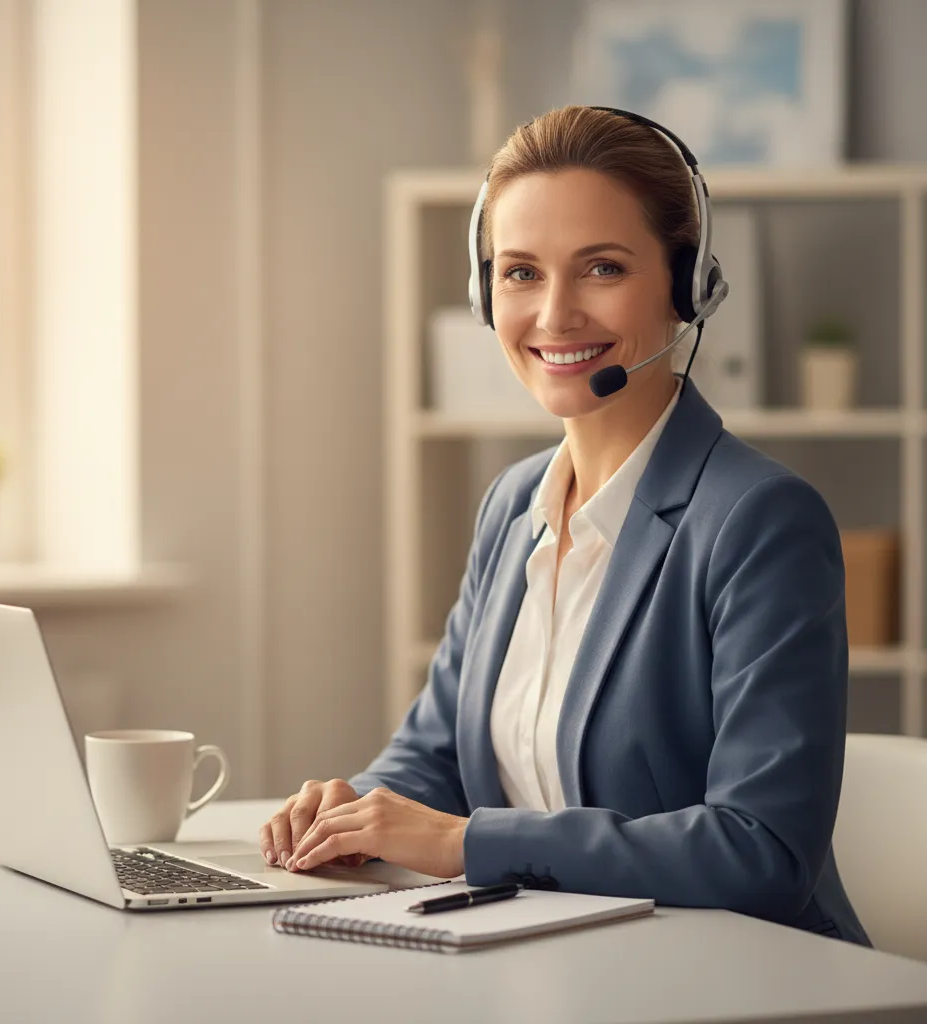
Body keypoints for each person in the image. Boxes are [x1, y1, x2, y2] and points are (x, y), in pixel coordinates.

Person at [258, 105, 870, 945]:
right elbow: (436, 755)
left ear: (687, 286)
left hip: (735, 973)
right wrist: (351, 811)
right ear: (485, 294)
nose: (554, 315)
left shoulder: (760, 520)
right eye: (520, 273)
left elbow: (760, 850)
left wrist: (466, 844)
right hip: (551, 958)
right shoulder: (514, 505)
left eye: (602, 268)